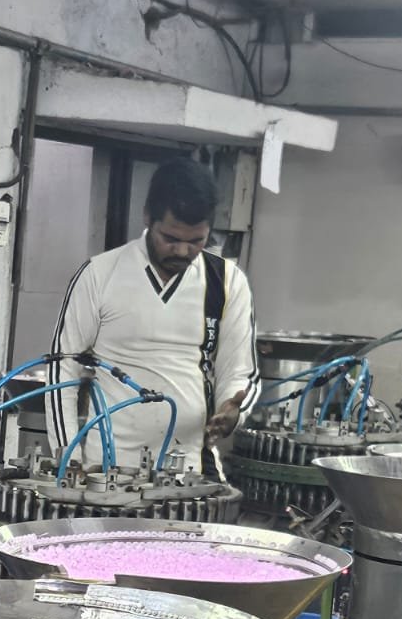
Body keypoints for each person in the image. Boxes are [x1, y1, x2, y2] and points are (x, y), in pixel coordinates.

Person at [46, 158, 257, 476]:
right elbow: (62, 369)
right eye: (170, 239)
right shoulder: (100, 274)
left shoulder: (227, 282)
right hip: (106, 469)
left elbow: (238, 370)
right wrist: (68, 457)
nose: (183, 251)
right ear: (147, 217)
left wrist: (233, 410)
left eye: (196, 241)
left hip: (190, 467)